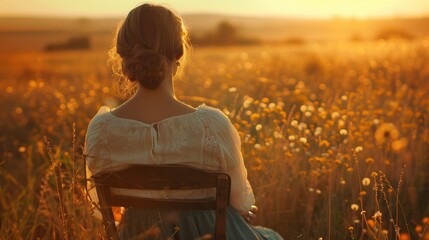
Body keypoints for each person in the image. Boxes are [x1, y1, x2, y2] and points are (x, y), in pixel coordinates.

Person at [84, 3, 283, 240]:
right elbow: (240, 204)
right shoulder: (212, 126)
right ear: (178, 53)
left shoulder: (102, 131)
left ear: (125, 56)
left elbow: (105, 211)